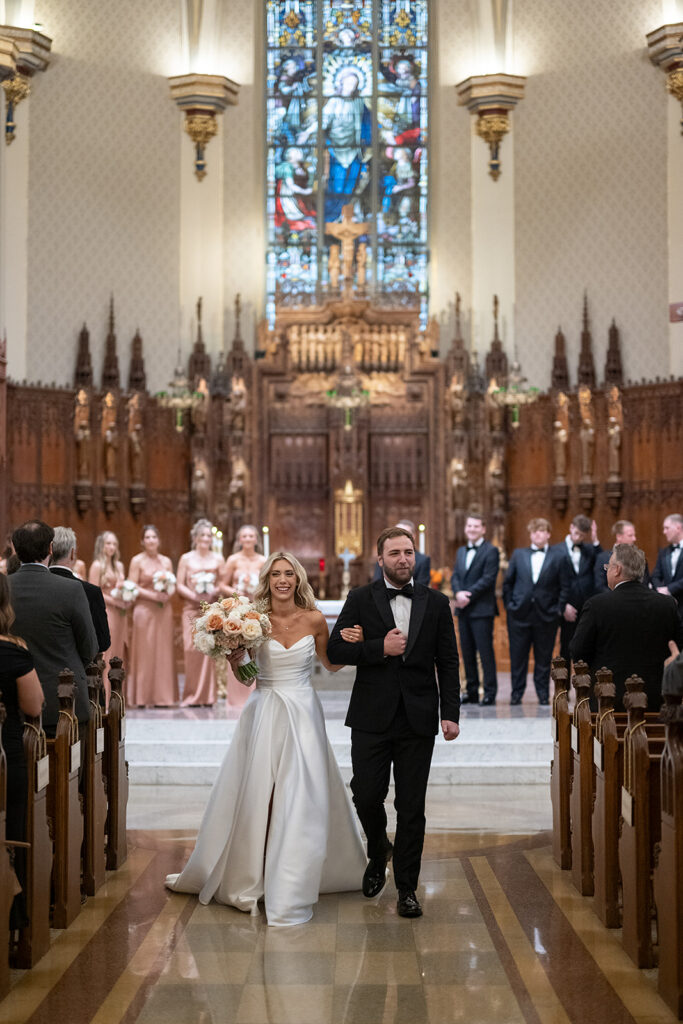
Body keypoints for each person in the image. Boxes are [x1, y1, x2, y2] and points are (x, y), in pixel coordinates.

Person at [166, 552, 367, 926]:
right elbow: (247, 678)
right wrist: (235, 655)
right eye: (276, 574)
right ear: (267, 579)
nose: (282, 580)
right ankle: (256, 868)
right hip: (265, 709)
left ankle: (295, 873)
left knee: (302, 793)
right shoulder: (252, 620)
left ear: (298, 579)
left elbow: (331, 663)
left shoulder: (314, 619)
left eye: (289, 573)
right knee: (264, 793)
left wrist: (354, 640)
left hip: (304, 711)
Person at [328, 526, 460, 919]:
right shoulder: (360, 598)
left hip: (418, 718)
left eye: (409, 551)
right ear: (380, 557)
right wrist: (376, 648)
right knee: (366, 794)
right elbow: (335, 650)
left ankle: (407, 888)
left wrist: (450, 713)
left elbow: (448, 661)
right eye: (395, 553)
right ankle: (377, 849)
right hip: (371, 715)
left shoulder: (436, 602)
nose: (403, 559)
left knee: (411, 806)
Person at [8, 520, 98, 735]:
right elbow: (90, 647)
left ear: (17, 551)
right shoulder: (71, 589)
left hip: (12, 702)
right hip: (64, 702)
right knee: (71, 767)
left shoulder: (5, 587)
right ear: (50, 548)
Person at [570, 544, 682, 711]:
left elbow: (578, 651)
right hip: (656, 699)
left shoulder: (596, 606)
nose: (606, 570)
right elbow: (678, 649)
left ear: (617, 570)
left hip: (607, 700)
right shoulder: (667, 605)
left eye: (608, 566)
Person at [0, 573, 45, 931]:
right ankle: (12, 916)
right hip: (5, 757)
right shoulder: (13, 651)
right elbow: (34, 707)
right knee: (10, 831)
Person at [503, 517, 567, 705]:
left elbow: (565, 586)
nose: (537, 534)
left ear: (548, 534)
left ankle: (543, 695)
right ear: (530, 534)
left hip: (546, 615)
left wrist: (558, 609)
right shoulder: (518, 554)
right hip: (519, 614)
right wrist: (510, 605)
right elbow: (508, 583)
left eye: (541, 530)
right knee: (518, 657)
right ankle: (516, 694)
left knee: (543, 657)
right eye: (534, 531)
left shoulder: (558, 556)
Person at [451, 513, 499, 705]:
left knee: (485, 652)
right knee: (467, 651)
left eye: (476, 526)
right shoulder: (461, 551)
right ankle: (471, 691)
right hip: (464, 609)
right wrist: (457, 593)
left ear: (483, 529)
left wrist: (467, 595)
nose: (472, 529)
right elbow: (455, 576)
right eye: (469, 526)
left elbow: (488, 579)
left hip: (481, 609)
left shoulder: (491, 551)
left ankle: (489, 692)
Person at [127, 525, 178, 707]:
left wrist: (167, 594)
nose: (151, 541)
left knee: (163, 652)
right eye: (147, 537)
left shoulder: (165, 561)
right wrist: (152, 595)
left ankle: (163, 696)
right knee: (145, 651)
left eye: (154, 537)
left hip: (163, 609)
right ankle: (143, 697)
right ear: (142, 541)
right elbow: (132, 586)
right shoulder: (137, 561)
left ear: (159, 540)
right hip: (144, 609)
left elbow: (172, 583)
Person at [176, 519, 224, 707]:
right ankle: (191, 695)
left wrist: (212, 592)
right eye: (202, 535)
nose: (205, 538)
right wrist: (194, 596)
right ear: (195, 537)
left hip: (210, 609)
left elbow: (222, 582)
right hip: (190, 608)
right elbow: (179, 584)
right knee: (191, 649)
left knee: (207, 650)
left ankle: (207, 697)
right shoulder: (186, 558)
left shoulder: (218, 559)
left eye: (208, 535)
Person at [220, 524, 267, 708]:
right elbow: (222, 584)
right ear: (240, 540)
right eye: (244, 536)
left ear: (256, 539)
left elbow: (267, 585)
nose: (248, 539)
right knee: (238, 647)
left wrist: (255, 591)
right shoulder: (232, 560)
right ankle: (237, 695)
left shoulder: (263, 560)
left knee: (255, 647)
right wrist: (236, 592)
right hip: (236, 609)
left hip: (256, 609)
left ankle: (254, 690)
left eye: (251, 536)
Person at [49, 526, 110, 656]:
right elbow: (103, 642)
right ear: (72, 553)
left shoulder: (35, 586)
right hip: (77, 669)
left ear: (49, 551)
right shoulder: (91, 592)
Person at [89, 531, 129, 703]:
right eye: (108, 544)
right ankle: (105, 697)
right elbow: (94, 592)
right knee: (109, 651)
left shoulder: (119, 566)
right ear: (101, 545)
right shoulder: (97, 565)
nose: (111, 547)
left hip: (121, 613)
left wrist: (127, 596)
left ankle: (118, 695)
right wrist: (115, 601)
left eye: (114, 544)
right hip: (108, 611)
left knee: (120, 652)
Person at [557, 514, 602, 665]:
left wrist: (595, 540)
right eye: (576, 533)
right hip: (567, 605)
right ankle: (563, 687)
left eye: (582, 536)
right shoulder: (556, 550)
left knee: (586, 647)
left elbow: (601, 561)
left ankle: (585, 686)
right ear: (571, 528)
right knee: (566, 648)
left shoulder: (589, 549)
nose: (578, 538)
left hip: (586, 605)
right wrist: (563, 606)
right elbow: (553, 581)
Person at [593, 520, 650, 592]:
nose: (634, 539)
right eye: (630, 535)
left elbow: (644, 583)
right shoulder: (602, 558)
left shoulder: (640, 558)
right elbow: (600, 586)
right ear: (619, 536)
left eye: (634, 535)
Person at [372, 519, 430, 586]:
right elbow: (377, 582)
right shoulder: (384, 556)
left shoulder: (423, 560)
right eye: (397, 534)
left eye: (405, 534)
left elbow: (422, 587)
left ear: (413, 536)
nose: (403, 560)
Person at [652, 513, 683, 622]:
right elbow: (655, 575)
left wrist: (669, 589)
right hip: (668, 608)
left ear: (678, 527)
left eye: (667, 528)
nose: (664, 532)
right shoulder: (664, 552)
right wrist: (661, 591)